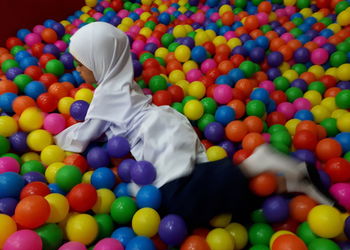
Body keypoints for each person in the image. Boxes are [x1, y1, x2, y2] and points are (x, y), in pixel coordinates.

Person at [55, 22, 334, 227]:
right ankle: (283, 183)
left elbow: (85, 134)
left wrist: (58, 139)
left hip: (157, 133)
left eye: (82, 64)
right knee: (196, 188)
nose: (77, 69)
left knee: (174, 201)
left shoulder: (105, 95)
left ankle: (256, 163)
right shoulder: (121, 80)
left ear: (101, 61)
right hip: (167, 123)